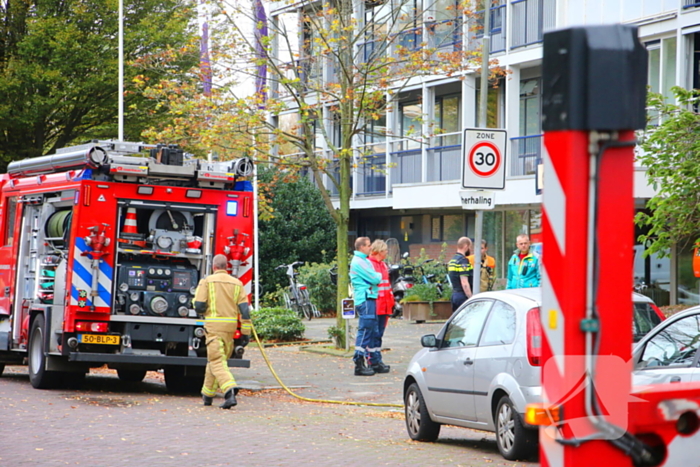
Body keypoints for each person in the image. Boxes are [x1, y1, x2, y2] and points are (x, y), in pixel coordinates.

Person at [193, 254, 252, 409]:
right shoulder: (237, 284)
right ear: (226, 267)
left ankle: (229, 392)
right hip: (230, 330)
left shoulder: (206, 282)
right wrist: (246, 332)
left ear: (214, 267)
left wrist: (204, 310)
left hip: (213, 328)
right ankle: (207, 395)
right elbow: (245, 311)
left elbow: (199, 305)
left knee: (217, 361)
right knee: (215, 361)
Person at [350, 236, 382, 376]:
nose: (371, 248)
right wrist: (378, 276)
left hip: (368, 297)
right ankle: (358, 361)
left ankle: (370, 361)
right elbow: (375, 278)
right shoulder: (359, 262)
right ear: (361, 247)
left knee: (370, 330)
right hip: (365, 298)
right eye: (368, 245)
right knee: (366, 329)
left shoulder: (363, 260)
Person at [367, 239, 394, 374]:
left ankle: (377, 360)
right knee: (373, 334)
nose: (387, 252)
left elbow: (386, 285)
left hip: (384, 305)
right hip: (375, 304)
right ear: (379, 251)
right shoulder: (369, 265)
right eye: (385, 250)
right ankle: (372, 360)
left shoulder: (383, 265)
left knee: (379, 334)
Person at [447, 237, 473, 312]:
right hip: (462, 296)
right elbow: (464, 282)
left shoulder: (452, 261)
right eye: (469, 247)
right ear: (466, 246)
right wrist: (470, 298)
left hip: (455, 295)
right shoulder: (463, 261)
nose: (470, 250)